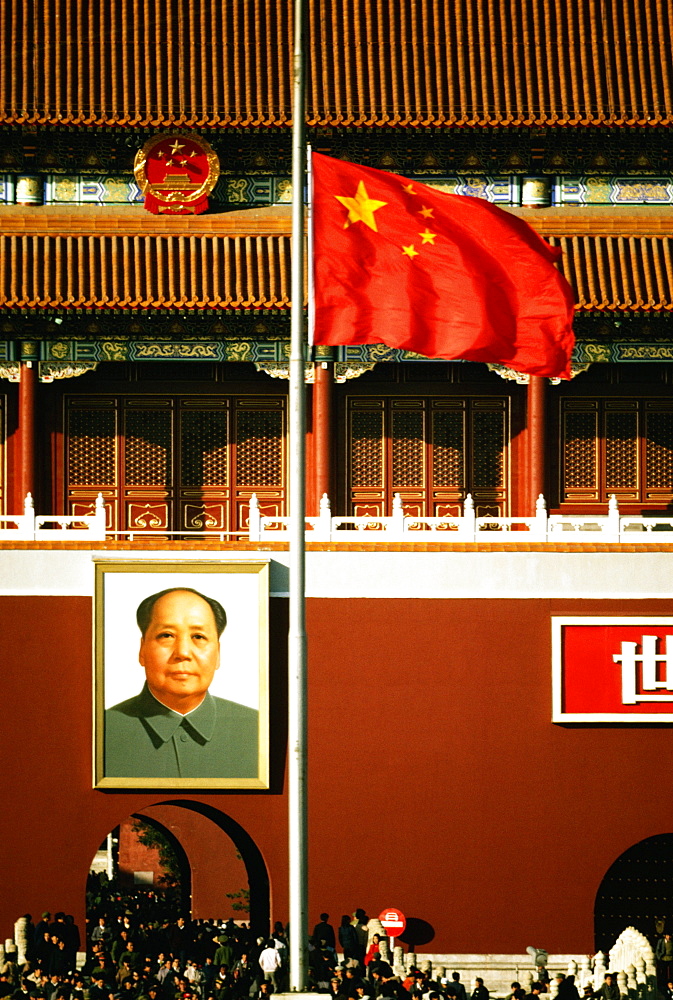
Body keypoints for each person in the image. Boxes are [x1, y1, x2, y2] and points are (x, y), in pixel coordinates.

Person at [104, 588, 259, 780]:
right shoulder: (103, 731)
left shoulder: (257, 730)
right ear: (142, 650)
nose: (183, 652)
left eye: (198, 637)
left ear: (218, 653)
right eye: (167, 635)